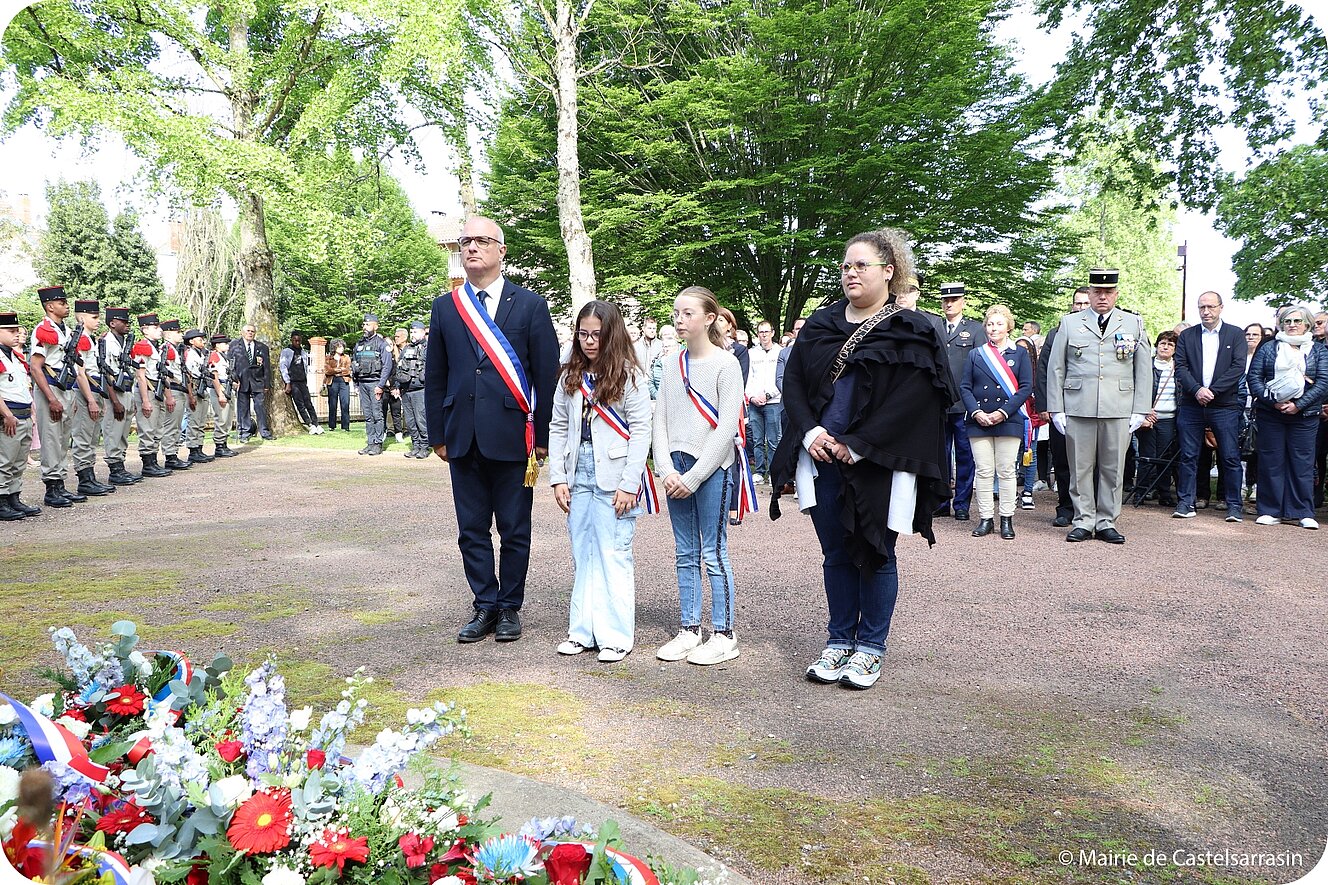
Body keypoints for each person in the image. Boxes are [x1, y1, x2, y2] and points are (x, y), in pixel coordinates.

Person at [771, 229, 954, 690]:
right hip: (821, 455)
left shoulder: (913, 330)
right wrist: (812, 431)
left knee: (876, 551)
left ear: (888, 271)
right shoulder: (820, 324)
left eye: (861, 265)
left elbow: (914, 402)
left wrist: (857, 444)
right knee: (834, 552)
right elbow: (793, 383)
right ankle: (838, 642)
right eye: (846, 266)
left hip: (877, 460)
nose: (850, 273)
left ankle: (870, 648)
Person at [425, 215, 559, 644]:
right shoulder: (446, 307)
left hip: (513, 436)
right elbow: (437, 374)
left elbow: (546, 376)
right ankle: (484, 604)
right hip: (462, 436)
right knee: (471, 529)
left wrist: (542, 438)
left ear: (502, 251)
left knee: (515, 528)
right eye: (465, 241)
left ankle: (509, 608)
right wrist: (438, 435)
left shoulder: (531, 306)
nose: (471, 248)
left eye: (482, 241)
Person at [548, 300, 652, 662]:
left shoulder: (630, 376)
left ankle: (615, 637)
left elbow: (641, 432)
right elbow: (558, 426)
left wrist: (629, 483)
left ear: (611, 334)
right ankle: (582, 632)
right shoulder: (569, 375)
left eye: (597, 334)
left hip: (615, 474)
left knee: (614, 554)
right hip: (578, 472)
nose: (590, 341)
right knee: (583, 553)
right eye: (583, 334)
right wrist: (558, 477)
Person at [652, 286, 745, 666]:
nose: (679, 319)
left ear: (709, 319)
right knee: (685, 551)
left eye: (688, 313)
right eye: (676, 312)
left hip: (712, 468)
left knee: (713, 550)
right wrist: (666, 468)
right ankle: (690, 628)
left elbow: (726, 427)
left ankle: (723, 632)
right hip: (676, 465)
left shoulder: (727, 364)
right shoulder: (671, 362)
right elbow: (659, 417)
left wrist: (693, 476)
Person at [1047, 269, 1152, 544]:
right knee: (1079, 468)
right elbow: (1057, 367)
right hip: (1079, 405)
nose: (1102, 297)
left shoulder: (1133, 323)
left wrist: (1140, 408)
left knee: (1113, 468)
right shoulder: (1069, 323)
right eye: (1097, 292)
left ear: (1116, 294)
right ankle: (1082, 520)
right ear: (1090, 294)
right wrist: (1056, 408)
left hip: (1118, 406)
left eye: (1108, 292)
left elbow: (1143, 369)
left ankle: (1106, 521)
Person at [1247, 305, 1328, 529]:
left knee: (1302, 463)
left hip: (1306, 416)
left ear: (1307, 324)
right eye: (1287, 321)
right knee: (1271, 461)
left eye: (1297, 321)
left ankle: (1303, 511)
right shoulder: (1268, 348)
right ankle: (1270, 510)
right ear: (1281, 324)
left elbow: (1323, 382)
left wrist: (1298, 405)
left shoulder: (1319, 350)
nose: (1292, 325)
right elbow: (1254, 378)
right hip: (1271, 414)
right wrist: (1274, 402)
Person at [1171, 291, 1247, 522]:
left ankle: (1234, 506)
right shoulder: (1188, 335)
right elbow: (1180, 366)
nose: (1206, 311)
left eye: (1210, 307)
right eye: (1202, 307)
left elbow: (1238, 367)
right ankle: (1186, 502)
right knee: (1188, 455)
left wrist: (1213, 391)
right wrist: (1197, 390)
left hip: (1224, 405)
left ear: (1221, 308)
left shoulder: (1235, 334)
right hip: (1192, 405)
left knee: (1230, 456)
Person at [962, 305, 1033, 540]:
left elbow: (1025, 388)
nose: (994, 328)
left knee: (1005, 470)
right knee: (983, 471)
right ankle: (985, 519)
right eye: (990, 324)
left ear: (1009, 326)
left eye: (999, 324)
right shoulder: (976, 354)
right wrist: (976, 412)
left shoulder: (1019, 353)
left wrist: (1003, 412)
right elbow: (965, 387)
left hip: (1009, 418)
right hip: (979, 420)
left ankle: (1006, 518)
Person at [30, 285, 94, 507]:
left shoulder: (66, 331)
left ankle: (61, 485)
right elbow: (36, 368)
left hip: (65, 387)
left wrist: (70, 398)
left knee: (62, 438)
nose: (66, 306)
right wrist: (52, 399)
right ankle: (51, 488)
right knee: (50, 438)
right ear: (50, 306)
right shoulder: (43, 330)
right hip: (51, 387)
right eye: (61, 303)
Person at [1036, 287, 1092, 527]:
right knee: (1062, 460)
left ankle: (1091, 510)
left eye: (1085, 303)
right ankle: (1066, 508)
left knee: (1093, 462)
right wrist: (1046, 405)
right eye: (1077, 303)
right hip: (1063, 408)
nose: (1080, 308)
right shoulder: (1056, 332)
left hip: (1093, 408)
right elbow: (1044, 370)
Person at [937, 282, 986, 521]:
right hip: (938, 403)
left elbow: (981, 368)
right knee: (940, 455)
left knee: (965, 454)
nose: (949, 304)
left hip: (965, 404)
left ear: (963, 302)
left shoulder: (975, 330)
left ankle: (962, 504)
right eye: (945, 300)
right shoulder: (935, 327)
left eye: (954, 300)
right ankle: (941, 501)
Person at [69, 299, 115, 497]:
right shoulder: (81, 339)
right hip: (85, 391)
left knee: (92, 437)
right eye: (94, 317)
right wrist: (90, 400)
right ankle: (84, 479)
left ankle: (90, 476)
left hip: (96, 389)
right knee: (83, 437)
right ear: (81, 317)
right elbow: (81, 372)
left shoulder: (92, 340)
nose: (98, 321)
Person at [0, 311, 42, 520]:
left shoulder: (15, 357)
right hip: (9, 415)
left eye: (17, 331)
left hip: (23, 413)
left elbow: (24, 388)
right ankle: (1, 500)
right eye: (10, 331)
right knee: (5, 460)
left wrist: (32, 413)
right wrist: (7, 414)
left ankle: (13, 497)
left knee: (18, 461)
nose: (16, 334)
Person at [1134, 330, 1179, 506]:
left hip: (1169, 419)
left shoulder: (1179, 368)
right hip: (1148, 418)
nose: (1165, 347)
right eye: (1162, 343)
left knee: (1165, 457)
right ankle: (1142, 491)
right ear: (1157, 345)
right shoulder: (1147, 366)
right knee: (1147, 456)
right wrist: (1144, 411)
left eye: (1170, 344)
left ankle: (1164, 493)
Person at [130, 313, 175, 478]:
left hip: (159, 390)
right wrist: (145, 400)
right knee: (148, 429)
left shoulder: (159, 348)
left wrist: (168, 396)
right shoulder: (142, 346)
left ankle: (154, 461)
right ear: (145, 330)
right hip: (148, 390)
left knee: (157, 429)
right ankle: (148, 464)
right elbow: (141, 375)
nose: (160, 330)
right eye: (155, 327)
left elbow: (164, 375)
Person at [98, 307, 141, 484]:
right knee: (113, 432)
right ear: (112, 323)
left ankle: (121, 466)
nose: (127, 324)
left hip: (126, 390)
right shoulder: (107, 342)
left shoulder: (123, 342)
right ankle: (115, 469)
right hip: (114, 392)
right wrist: (114, 401)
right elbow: (105, 373)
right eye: (123, 321)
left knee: (123, 431)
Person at [746, 319, 783, 484]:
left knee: (774, 440)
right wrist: (752, 396)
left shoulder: (780, 352)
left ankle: (774, 471)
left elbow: (782, 378)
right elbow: (747, 378)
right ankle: (760, 471)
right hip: (755, 403)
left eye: (767, 331)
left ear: (773, 333)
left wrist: (768, 395)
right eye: (761, 332)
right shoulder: (751, 353)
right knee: (757, 440)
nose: (764, 335)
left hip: (774, 401)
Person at [352, 314, 393, 455]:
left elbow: (387, 366)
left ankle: (378, 443)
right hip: (362, 384)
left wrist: (380, 385)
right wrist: (356, 384)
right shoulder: (359, 344)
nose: (365, 327)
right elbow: (354, 364)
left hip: (375, 383)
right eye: (364, 324)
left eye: (368, 325)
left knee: (377, 414)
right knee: (368, 416)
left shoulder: (382, 344)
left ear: (376, 326)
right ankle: (370, 442)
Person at [158, 319, 192, 470]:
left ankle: (174, 453)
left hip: (180, 389)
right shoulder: (166, 349)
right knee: (171, 426)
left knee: (177, 426)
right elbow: (164, 374)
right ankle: (170, 456)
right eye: (177, 332)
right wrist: (169, 395)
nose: (181, 334)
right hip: (172, 388)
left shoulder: (175, 349)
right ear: (169, 334)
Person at [1013, 335, 1042, 510]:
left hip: (1031, 418)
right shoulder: (1008, 367)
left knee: (1030, 454)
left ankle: (1028, 492)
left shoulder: (1037, 372)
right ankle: (1011, 491)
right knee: (1011, 456)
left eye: (1025, 349)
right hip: (1012, 416)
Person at [231, 323, 273, 441]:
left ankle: (264, 431)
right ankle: (245, 431)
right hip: (241, 381)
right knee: (243, 408)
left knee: (260, 406)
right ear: (242, 332)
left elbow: (267, 367)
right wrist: (234, 379)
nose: (250, 333)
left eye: (252, 331)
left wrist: (266, 384)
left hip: (257, 381)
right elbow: (230, 364)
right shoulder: (234, 345)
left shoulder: (262, 347)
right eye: (248, 331)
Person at [181, 329, 216, 463]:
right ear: (191, 341)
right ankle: (193, 449)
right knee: (194, 421)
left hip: (202, 387)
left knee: (201, 421)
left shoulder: (201, 354)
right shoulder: (190, 354)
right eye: (199, 339)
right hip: (194, 387)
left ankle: (199, 447)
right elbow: (188, 375)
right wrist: (190, 395)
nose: (203, 341)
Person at [396, 321, 429, 458]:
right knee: (410, 421)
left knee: (421, 420)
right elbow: (399, 367)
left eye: (415, 332)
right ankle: (415, 446)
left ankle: (424, 447)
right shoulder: (407, 348)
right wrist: (397, 386)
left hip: (420, 390)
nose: (413, 334)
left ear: (422, 332)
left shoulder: (428, 348)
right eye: (412, 332)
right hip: (406, 390)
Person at [280, 332, 321, 434]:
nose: (297, 342)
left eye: (299, 340)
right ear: (291, 340)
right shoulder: (287, 351)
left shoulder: (303, 352)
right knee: (300, 404)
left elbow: (305, 367)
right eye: (295, 340)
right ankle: (309, 424)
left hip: (302, 381)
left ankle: (316, 423)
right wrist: (287, 382)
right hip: (293, 382)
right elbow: (283, 367)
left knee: (308, 403)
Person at [207, 334, 239, 458]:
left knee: (228, 416)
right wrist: (220, 393)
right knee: (221, 417)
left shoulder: (224, 357)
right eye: (225, 343)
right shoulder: (214, 356)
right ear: (217, 345)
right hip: (220, 387)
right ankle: (219, 445)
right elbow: (214, 376)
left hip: (227, 386)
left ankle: (224, 443)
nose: (227, 345)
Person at [384, 327, 408, 443]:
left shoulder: (407, 349)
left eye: (397, 337)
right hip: (393, 385)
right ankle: (391, 429)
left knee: (405, 408)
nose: (395, 339)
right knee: (392, 409)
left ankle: (405, 429)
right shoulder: (393, 352)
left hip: (406, 382)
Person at [324, 338, 352, 432]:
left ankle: (345, 426)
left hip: (344, 381)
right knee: (332, 404)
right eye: (339, 346)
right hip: (332, 381)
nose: (342, 348)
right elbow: (327, 371)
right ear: (334, 347)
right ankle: (332, 425)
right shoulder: (328, 358)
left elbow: (348, 370)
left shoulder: (346, 357)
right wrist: (339, 370)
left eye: (342, 346)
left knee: (345, 403)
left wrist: (336, 371)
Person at [649, 325, 678, 400]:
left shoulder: (684, 356)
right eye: (663, 338)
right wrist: (658, 398)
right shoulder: (658, 359)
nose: (666, 341)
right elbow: (650, 382)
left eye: (669, 338)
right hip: (658, 400)